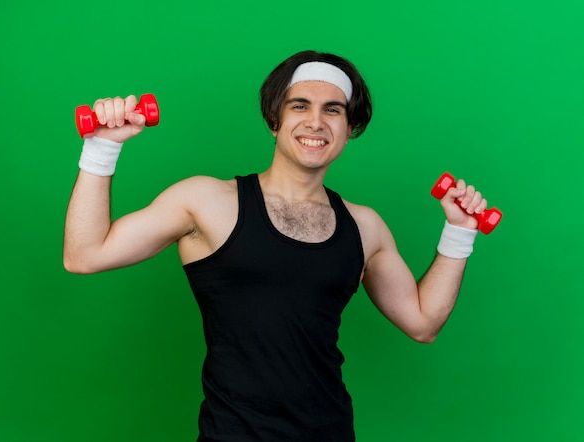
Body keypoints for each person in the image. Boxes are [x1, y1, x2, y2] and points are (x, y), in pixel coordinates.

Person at [64, 50, 490, 441]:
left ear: (349, 128)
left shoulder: (366, 226)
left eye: (333, 110)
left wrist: (460, 231)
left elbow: (423, 323)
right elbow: (85, 255)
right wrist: (102, 147)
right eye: (299, 106)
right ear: (274, 119)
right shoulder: (206, 201)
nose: (315, 122)